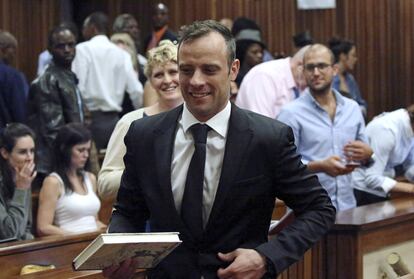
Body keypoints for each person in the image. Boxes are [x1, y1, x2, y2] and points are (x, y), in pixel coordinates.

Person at [104, 20, 335, 279]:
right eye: (186, 70)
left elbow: (319, 208)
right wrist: (117, 252)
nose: (196, 81)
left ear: (233, 69)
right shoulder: (144, 135)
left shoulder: (267, 138)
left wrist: (266, 258)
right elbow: (128, 210)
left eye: (209, 69)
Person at [278, 44, 373, 211]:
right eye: (310, 67)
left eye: (321, 66)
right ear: (303, 71)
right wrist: (320, 166)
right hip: (307, 211)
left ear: (334, 70)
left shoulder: (352, 108)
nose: (316, 73)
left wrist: (367, 155)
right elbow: (282, 165)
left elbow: (361, 154)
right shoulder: (290, 113)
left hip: (347, 208)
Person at [98, 40, 182, 200]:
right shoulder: (131, 122)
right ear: (150, 81)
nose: (167, 80)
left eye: (173, 72)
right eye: (158, 75)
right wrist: (145, 170)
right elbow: (104, 185)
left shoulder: (199, 118)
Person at [72, 12, 143, 150]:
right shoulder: (122, 54)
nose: (83, 32)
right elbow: (136, 91)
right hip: (114, 122)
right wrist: (141, 117)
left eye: (84, 28)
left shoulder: (82, 49)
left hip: (90, 120)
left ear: (93, 28)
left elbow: (77, 86)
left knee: (91, 167)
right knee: (114, 167)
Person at [27, 25, 85, 188]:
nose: (67, 50)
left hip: (71, 159)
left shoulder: (68, 76)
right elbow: (54, 132)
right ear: (50, 49)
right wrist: (69, 164)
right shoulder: (47, 80)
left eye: (71, 45)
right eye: (61, 46)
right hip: (54, 165)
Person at [37, 123, 105, 236]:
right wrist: (76, 238)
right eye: (80, 150)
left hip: (93, 239)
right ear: (65, 149)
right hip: (70, 244)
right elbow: (43, 227)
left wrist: (106, 229)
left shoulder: (90, 178)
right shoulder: (53, 182)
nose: (86, 155)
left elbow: (94, 220)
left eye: (87, 150)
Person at [352, 105, 414, 205]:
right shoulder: (387, 130)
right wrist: (411, 188)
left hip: (382, 189)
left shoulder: (410, 127)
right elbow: (371, 179)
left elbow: (409, 165)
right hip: (361, 191)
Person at [235, 45, 310, 118]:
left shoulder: (299, 80)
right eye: (311, 69)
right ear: (300, 65)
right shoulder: (265, 76)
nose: (316, 73)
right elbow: (261, 123)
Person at [0, 123, 36, 241]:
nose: (29, 157)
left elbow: (26, 227)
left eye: (32, 151)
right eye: (22, 152)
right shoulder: (23, 183)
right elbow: (10, 234)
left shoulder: (22, 179)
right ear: (5, 153)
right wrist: (21, 189)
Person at [329, 37, 367, 117]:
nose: (355, 59)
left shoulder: (350, 79)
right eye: (353, 55)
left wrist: (360, 109)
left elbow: (361, 103)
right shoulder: (330, 78)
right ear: (343, 56)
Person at [0, 30, 29, 130]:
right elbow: (19, 111)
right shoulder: (12, 76)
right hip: (5, 138)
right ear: (5, 50)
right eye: (14, 51)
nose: (14, 56)